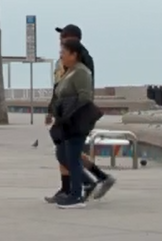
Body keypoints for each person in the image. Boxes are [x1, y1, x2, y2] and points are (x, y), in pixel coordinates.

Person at [45, 24, 115, 202]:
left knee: (70, 154)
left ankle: (79, 188)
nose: (61, 40)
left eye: (65, 37)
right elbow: (58, 87)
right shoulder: (64, 60)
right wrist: (52, 109)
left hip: (74, 116)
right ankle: (80, 184)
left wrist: (69, 111)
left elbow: (84, 92)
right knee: (66, 153)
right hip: (64, 114)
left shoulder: (82, 61)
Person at [48, 37, 101, 209]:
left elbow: (85, 96)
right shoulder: (68, 71)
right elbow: (58, 93)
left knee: (72, 157)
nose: (61, 56)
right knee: (62, 155)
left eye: (64, 53)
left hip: (76, 121)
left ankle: (76, 196)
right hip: (65, 121)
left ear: (74, 54)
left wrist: (69, 111)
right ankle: (87, 182)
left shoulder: (81, 72)